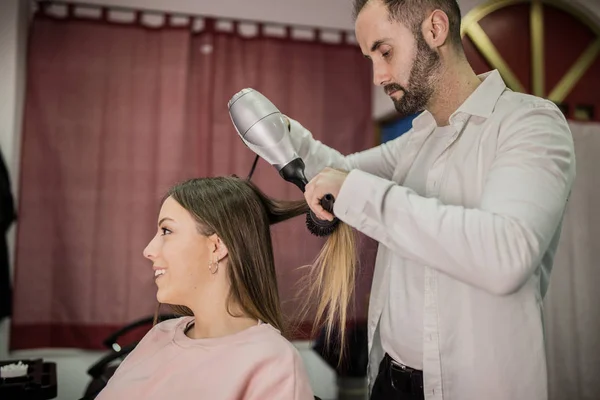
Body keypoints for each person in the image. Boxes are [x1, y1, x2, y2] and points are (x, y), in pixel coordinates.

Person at [284, 1, 576, 399]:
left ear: (435, 30)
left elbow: (506, 254)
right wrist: (277, 130)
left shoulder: (529, 124)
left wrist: (358, 193)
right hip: (387, 379)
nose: (377, 76)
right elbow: (333, 172)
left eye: (384, 52)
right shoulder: (415, 143)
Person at [95, 176, 357, 400]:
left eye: (166, 231)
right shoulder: (159, 336)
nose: (148, 250)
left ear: (216, 246)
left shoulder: (271, 363)